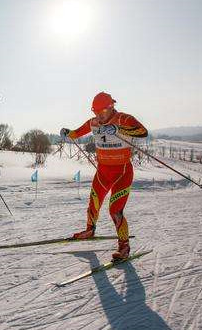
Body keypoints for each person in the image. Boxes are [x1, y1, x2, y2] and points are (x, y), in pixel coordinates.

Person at [60, 92, 148, 260]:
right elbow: (77, 133)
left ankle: (124, 247)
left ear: (111, 107)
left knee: (115, 210)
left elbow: (143, 132)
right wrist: (67, 132)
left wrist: (118, 129)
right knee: (94, 200)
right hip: (102, 172)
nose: (98, 116)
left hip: (122, 172)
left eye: (102, 112)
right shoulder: (93, 122)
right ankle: (90, 230)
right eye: (95, 112)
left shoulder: (124, 119)